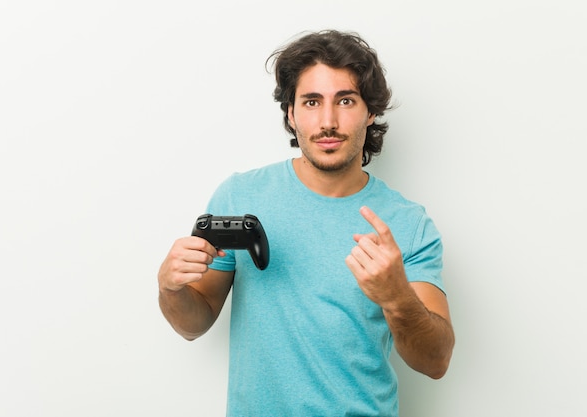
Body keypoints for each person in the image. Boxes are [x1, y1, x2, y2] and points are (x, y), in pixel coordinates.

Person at [158, 29, 455, 416]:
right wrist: (171, 287)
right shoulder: (240, 196)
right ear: (291, 113)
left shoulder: (407, 223)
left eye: (345, 100)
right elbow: (192, 324)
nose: (328, 121)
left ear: (370, 111)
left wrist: (397, 296)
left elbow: (435, 362)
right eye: (312, 102)